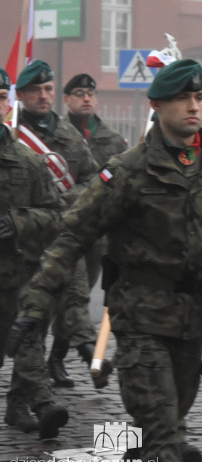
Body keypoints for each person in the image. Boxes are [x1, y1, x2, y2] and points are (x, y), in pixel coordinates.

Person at [6, 59, 202, 462]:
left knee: (160, 429)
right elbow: (73, 235)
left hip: (194, 320)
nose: (193, 106)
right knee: (165, 437)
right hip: (141, 320)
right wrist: (35, 303)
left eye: (198, 97)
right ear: (157, 105)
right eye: (182, 98)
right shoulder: (127, 171)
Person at [14, 62, 101, 389]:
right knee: (30, 316)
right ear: (20, 95)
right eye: (35, 90)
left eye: (48, 89)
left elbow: (92, 180)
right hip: (22, 243)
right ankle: (30, 391)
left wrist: (67, 200)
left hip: (63, 239)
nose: (43, 95)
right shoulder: (12, 135)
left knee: (75, 298)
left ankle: (83, 356)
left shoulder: (69, 135)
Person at [0, 68, 68, 438]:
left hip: (16, 274)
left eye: (0, 98)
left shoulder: (27, 161)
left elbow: (56, 215)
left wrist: (19, 220)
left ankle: (31, 403)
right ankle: (38, 402)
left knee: (27, 339)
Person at [62, 72, 128, 388]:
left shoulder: (112, 140)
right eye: (79, 93)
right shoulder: (56, 135)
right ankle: (90, 356)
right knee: (73, 294)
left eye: (90, 93)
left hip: (98, 232)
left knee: (82, 293)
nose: (86, 98)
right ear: (67, 99)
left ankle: (56, 356)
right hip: (65, 229)